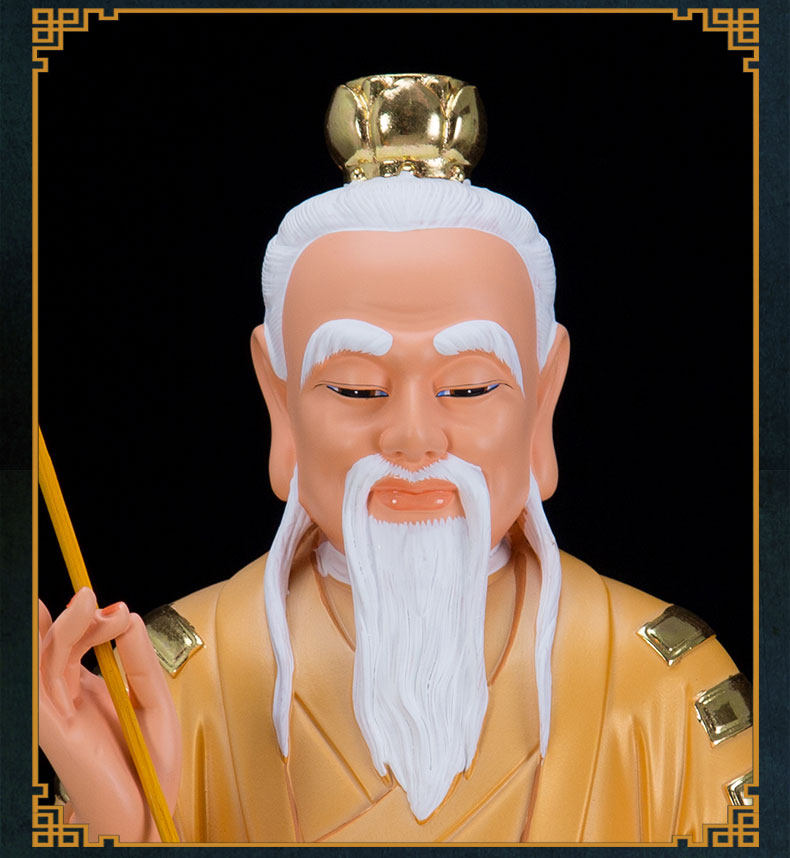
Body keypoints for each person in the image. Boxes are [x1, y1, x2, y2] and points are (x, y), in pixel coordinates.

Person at [38, 73, 752, 843]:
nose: (413, 438)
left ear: (543, 397)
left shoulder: (664, 681)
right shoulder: (177, 680)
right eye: (356, 388)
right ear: (279, 401)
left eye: (469, 387)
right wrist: (126, 828)